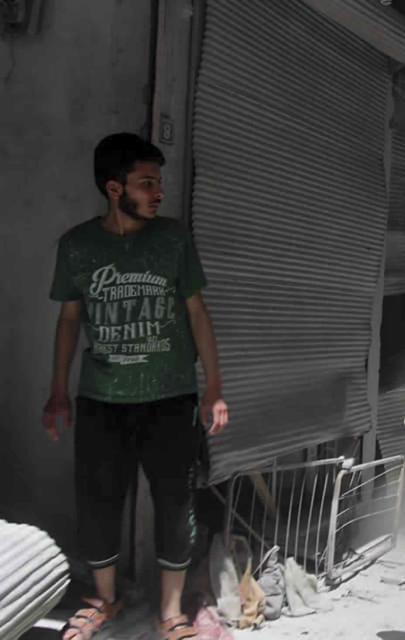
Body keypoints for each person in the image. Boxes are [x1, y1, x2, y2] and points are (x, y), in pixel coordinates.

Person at [43, 133, 228, 640]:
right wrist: (58, 390)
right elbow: (68, 322)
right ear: (113, 187)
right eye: (146, 182)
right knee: (98, 503)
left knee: (175, 504)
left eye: (159, 182)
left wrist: (213, 386)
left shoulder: (172, 240)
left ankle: (170, 613)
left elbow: (197, 312)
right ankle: (104, 600)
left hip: (170, 399)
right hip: (102, 400)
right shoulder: (78, 247)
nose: (158, 191)